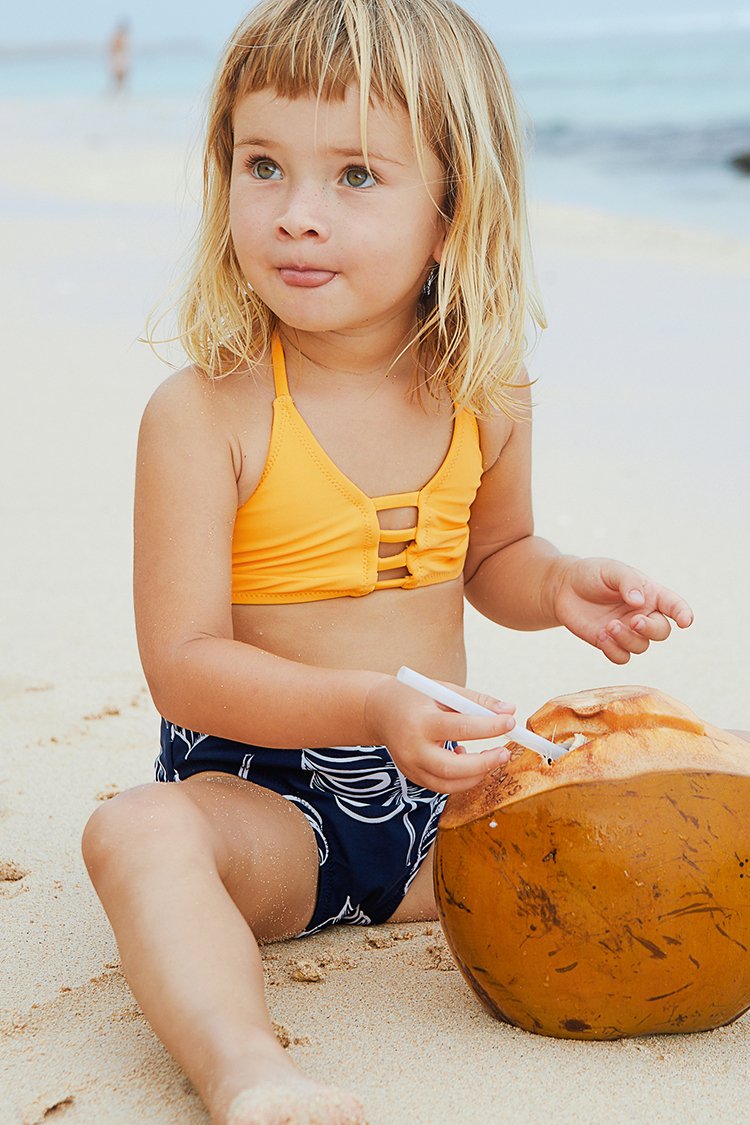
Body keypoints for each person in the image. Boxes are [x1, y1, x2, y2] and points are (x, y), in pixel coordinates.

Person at [81, 0, 695, 1121]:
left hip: (443, 812)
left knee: (664, 784)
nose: (296, 216)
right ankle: (246, 1067)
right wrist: (371, 706)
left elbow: (493, 555)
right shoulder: (206, 412)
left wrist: (557, 584)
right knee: (137, 833)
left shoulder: (485, 390)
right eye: (263, 166)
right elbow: (183, 664)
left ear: (454, 209)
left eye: (356, 176)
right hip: (267, 810)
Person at [107, 20, 130, 95]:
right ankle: (116, 93)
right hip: (118, 59)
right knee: (119, 78)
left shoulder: (120, 38)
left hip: (119, 58)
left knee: (121, 79)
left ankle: (117, 93)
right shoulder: (117, 38)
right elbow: (113, 49)